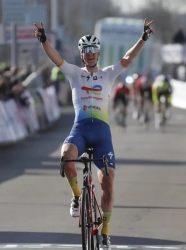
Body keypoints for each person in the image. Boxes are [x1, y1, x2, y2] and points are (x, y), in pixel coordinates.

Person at [34, 19, 154, 250]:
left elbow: (128, 59)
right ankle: (78, 196)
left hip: (101, 135)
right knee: (66, 156)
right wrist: (43, 41)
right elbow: (56, 58)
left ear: (98, 53)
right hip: (80, 130)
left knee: (107, 183)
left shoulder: (108, 74)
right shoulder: (74, 74)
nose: (89, 54)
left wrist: (143, 38)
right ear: (81, 54)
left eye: (93, 50)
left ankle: (106, 232)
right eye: (86, 50)